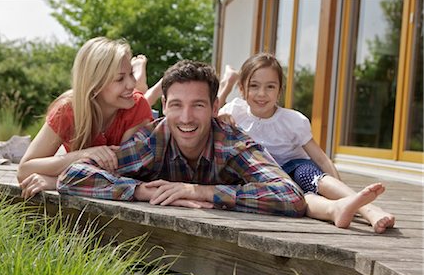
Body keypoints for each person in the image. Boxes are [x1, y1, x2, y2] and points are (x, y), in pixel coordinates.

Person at [56, 60, 307, 216]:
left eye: (198, 105)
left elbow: (290, 197)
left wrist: (201, 192)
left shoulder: (233, 143)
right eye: (177, 105)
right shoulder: (152, 139)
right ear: (164, 105)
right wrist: (140, 191)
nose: (186, 118)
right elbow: (72, 176)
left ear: (215, 106)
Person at [218, 52, 395, 233]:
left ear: (280, 90)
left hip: (294, 166)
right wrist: (219, 117)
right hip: (265, 175)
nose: (261, 94)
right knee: (302, 200)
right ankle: (336, 211)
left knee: (314, 179)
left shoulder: (293, 120)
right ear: (241, 89)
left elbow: (320, 157)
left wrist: (338, 186)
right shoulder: (235, 111)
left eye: (270, 87)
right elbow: (206, 120)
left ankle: (369, 210)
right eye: (254, 86)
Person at [17, 37, 154, 198]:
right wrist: (82, 155)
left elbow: (127, 175)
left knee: (141, 92)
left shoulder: (137, 106)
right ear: (94, 85)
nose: (131, 83)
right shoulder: (68, 109)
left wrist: (57, 182)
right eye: (120, 78)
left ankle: (141, 77)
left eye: (131, 74)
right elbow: (24, 170)